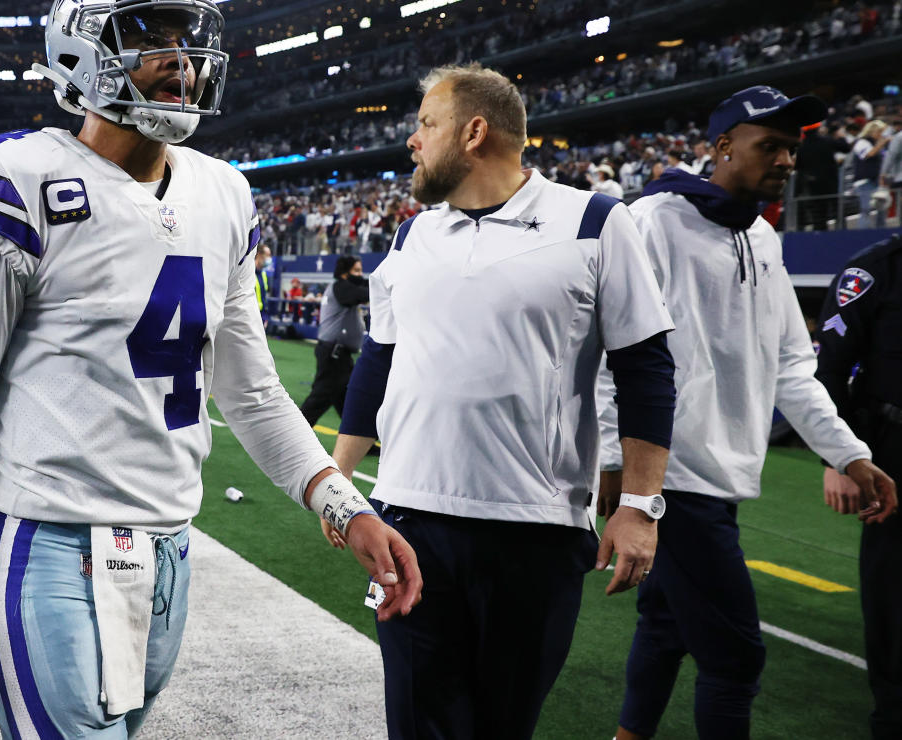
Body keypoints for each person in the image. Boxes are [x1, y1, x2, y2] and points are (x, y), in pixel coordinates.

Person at [0, 0, 422, 737]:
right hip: (48, 545)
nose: (182, 60)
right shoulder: (18, 179)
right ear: (82, 46)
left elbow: (251, 392)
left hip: (171, 551)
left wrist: (347, 508)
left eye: (190, 37)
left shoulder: (223, 191)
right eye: (151, 35)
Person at [322, 62, 677, 739]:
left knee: (500, 726)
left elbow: (646, 370)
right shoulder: (412, 234)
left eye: (427, 124)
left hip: (533, 529)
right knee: (418, 722)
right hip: (408, 519)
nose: (413, 141)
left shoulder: (596, 222)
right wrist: (338, 481)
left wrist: (638, 506)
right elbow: (379, 361)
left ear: (473, 131)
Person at [599, 85, 898, 740]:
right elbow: (607, 351)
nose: (788, 161)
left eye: (792, 149)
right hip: (672, 478)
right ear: (723, 146)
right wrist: (616, 465)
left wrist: (847, 452)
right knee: (736, 658)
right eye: (772, 146)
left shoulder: (762, 235)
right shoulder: (651, 221)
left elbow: (793, 363)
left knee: (666, 625)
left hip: (722, 473)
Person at [814, 236, 902, 738]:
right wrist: (839, 459)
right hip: (893, 453)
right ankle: (891, 717)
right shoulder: (871, 272)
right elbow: (828, 370)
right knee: (892, 593)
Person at [298, 255, 369, 426]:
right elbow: (364, 293)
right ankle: (291, 439)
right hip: (334, 355)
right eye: (356, 271)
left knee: (349, 401)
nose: (360, 275)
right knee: (319, 398)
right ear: (345, 273)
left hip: (338, 354)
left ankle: (357, 437)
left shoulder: (341, 287)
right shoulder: (341, 287)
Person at [851, 120, 891, 229]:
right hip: (865, 182)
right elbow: (868, 154)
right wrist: (882, 143)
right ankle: (863, 235)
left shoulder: (877, 144)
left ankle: (881, 233)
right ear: (873, 131)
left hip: (877, 181)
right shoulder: (862, 142)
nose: (881, 135)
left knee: (882, 209)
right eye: (880, 132)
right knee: (866, 209)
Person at [254, 242, 272, 322]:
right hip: (250, 314)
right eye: (267, 255)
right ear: (258, 255)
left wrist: (265, 316)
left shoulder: (264, 274)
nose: (269, 258)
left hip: (261, 314)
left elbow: (264, 297)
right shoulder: (249, 272)